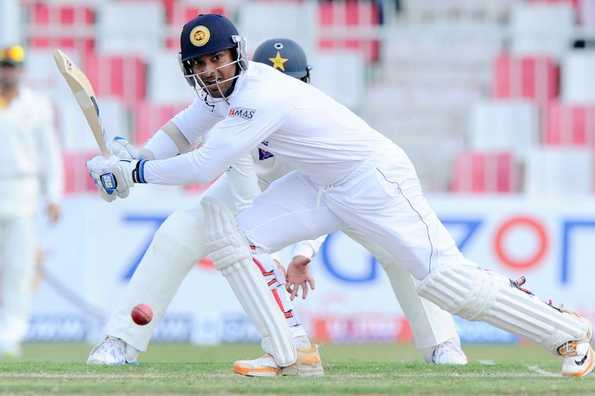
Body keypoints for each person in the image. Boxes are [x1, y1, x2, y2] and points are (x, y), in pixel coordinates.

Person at [87, 14, 592, 378]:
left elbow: (203, 163)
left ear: (236, 54)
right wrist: (129, 157)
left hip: (373, 179)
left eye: (218, 59)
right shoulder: (218, 95)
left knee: (447, 283)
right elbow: (178, 134)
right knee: (235, 241)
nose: (211, 71)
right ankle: (291, 353)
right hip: (323, 184)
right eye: (200, 64)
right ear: (189, 69)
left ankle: (567, 332)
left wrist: (134, 173)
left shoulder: (259, 93)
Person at [86, 35, 466, 374]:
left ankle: (442, 344)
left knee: (400, 247)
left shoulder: (313, 116)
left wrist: (304, 250)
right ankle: (122, 340)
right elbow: (211, 162)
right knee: (177, 235)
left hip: (337, 188)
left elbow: (322, 189)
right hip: (256, 187)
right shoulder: (235, 104)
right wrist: (132, 163)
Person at [0, 44, 63, 358]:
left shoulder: (37, 106)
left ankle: (10, 337)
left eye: (13, 67)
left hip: (21, 193)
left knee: (18, 269)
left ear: (22, 70)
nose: (8, 72)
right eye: (3, 66)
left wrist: (53, 195)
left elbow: (50, 154)